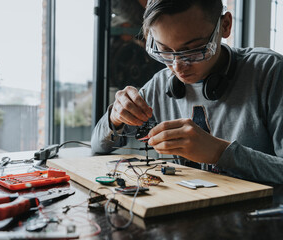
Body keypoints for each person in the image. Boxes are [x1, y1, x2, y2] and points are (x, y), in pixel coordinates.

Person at [91, 0, 283, 184]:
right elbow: (98, 144)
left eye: (193, 50)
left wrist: (219, 153)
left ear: (225, 25)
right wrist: (115, 117)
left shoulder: (270, 72)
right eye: (164, 50)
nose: (177, 67)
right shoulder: (160, 85)